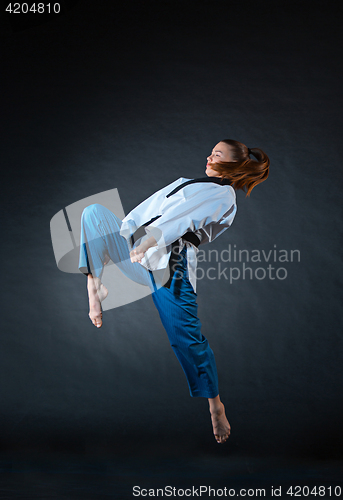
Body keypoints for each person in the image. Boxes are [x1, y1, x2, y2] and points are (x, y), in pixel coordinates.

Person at [79, 139, 270, 444]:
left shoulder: (224, 195)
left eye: (217, 155)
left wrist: (146, 242)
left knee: (186, 339)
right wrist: (126, 237)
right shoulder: (186, 182)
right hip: (136, 252)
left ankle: (215, 405)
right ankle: (95, 284)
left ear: (233, 165)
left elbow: (183, 220)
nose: (209, 156)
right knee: (92, 214)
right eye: (210, 151)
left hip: (172, 265)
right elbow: (148, 208)